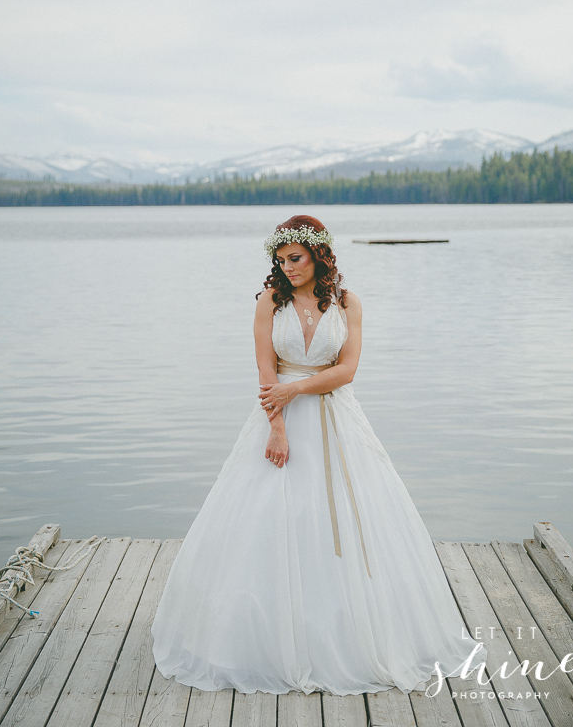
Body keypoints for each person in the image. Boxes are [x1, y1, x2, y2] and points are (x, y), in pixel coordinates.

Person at [151, 214, 487, 696]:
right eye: (281, 259)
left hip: (334, 418)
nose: (287, 267)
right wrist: (277, 425)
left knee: (346, 521)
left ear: (319, 256)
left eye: (296, 258)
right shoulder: (269, 302)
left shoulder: (348, 304)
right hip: (278, 420)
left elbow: (347, 370)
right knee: (268, 516)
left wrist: (297, 390)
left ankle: (345, 630)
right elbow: (267, 373)